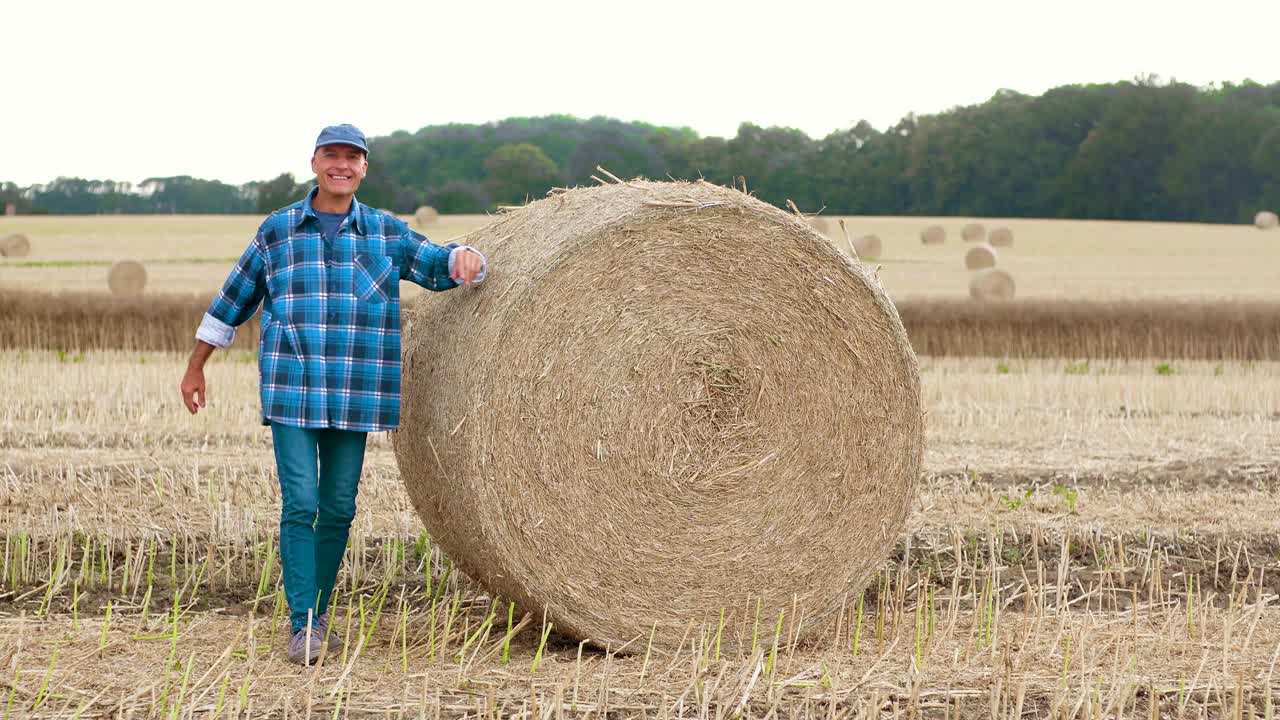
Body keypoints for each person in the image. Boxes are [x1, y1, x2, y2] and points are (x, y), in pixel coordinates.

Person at [179, 124, 486, 665]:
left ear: (364, 167)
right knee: (301, 503)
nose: (341, 165)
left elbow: (439, 265)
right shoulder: (277, 232)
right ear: (315, 162)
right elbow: (233, 300)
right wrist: (195, 367)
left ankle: (317, 615)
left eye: (352, 157)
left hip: (356, 391)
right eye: (331, 155)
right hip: (292, 389)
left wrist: (467, 257)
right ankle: (302, 625)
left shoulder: (386, 233)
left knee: (339, 508)